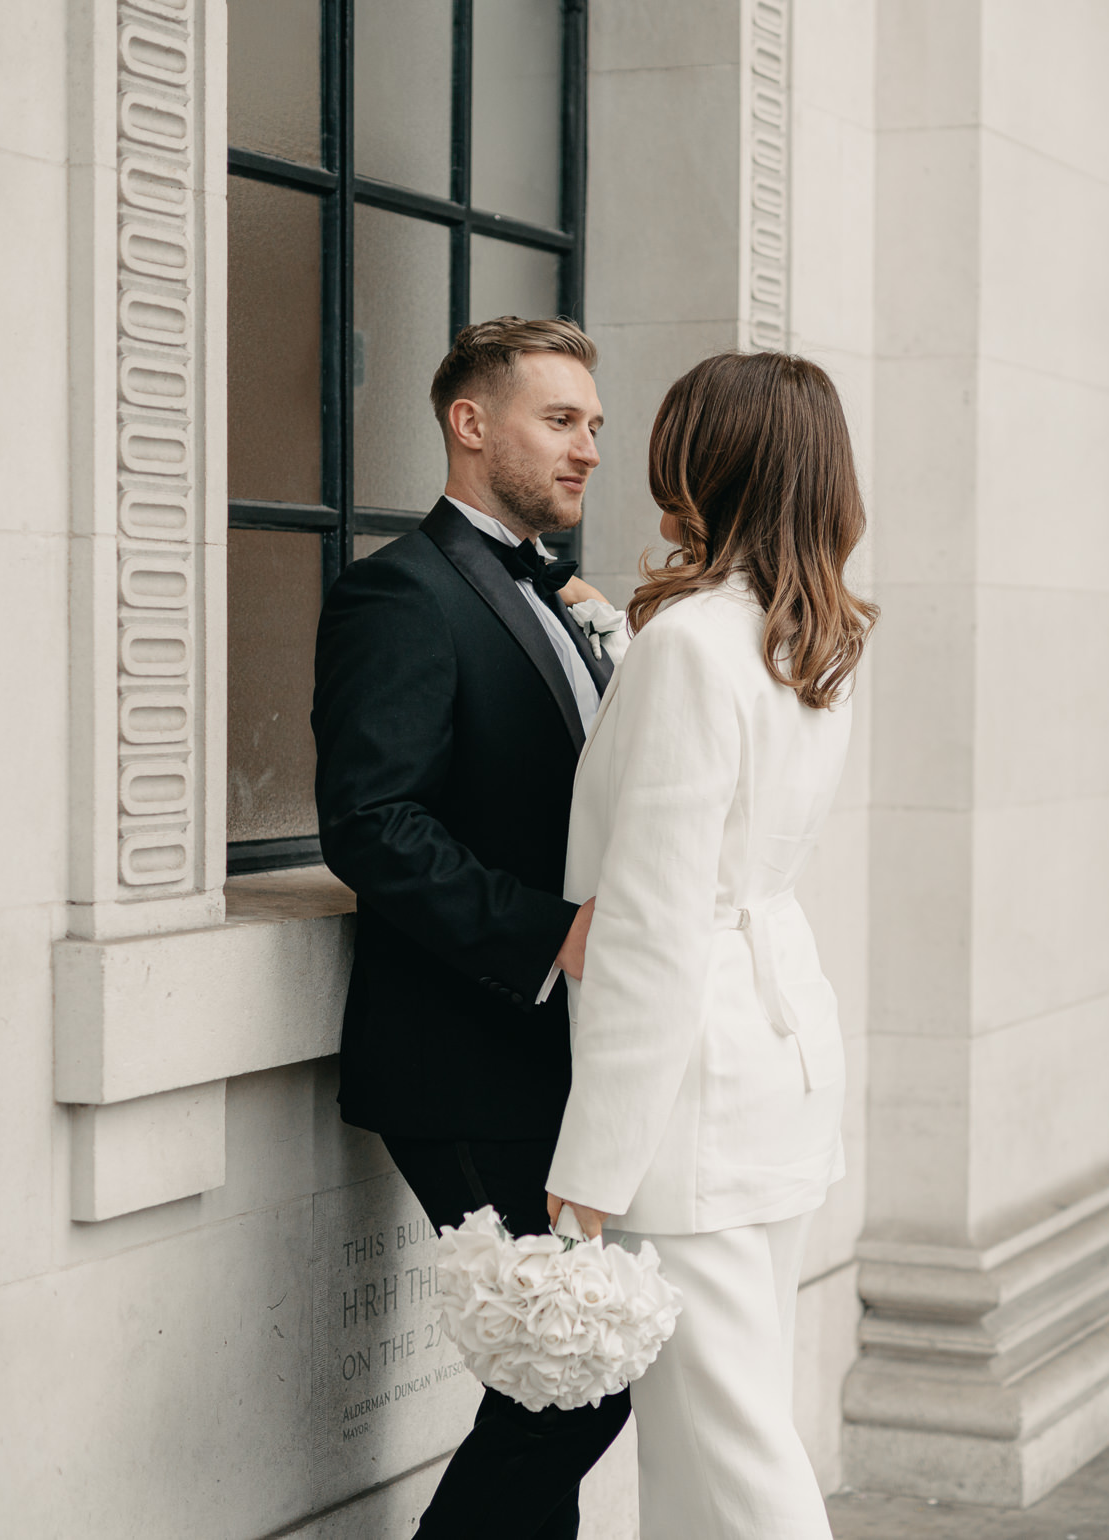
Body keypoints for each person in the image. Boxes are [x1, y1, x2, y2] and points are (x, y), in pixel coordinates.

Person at [544, 351, 878, 1539]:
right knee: (702, 1451)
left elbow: (651, 925)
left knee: (732, 1452)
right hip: (773, 1056)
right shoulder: (804, 639)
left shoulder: (697, 645)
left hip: (700, 1086)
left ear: (712, 462)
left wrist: (588, 1174)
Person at [311, 316, 626, 1540]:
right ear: (470, 421)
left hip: (546, 1062)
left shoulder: (556, 592)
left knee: (546, 1379)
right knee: (573, 1389)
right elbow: (372, 822)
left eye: (595, 424)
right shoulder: (400, 590)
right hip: (456, 1058)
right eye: (561, 420)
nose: (589, 448)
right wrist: (555, 934)